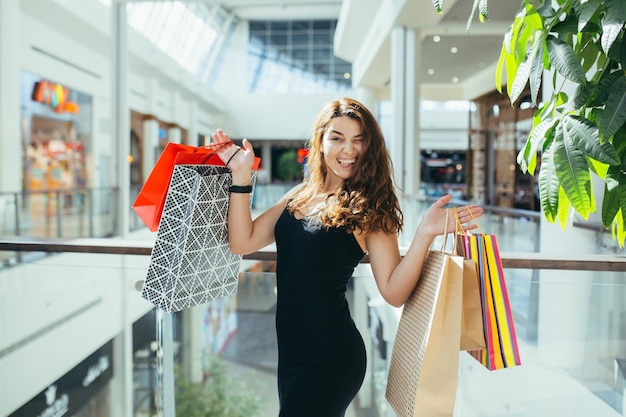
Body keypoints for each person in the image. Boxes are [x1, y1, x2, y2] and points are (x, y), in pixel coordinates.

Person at [212, 97, 483, 417]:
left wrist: (424, 233)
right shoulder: (300, 195)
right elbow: (243, 242)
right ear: (321, 141)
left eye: (358, 140)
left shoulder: (369, 208)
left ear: (370, 146)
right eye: (337, 138)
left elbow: (394, 292)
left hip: (330, 356)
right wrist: (241, 178)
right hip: (292, 353)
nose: (348, 149)